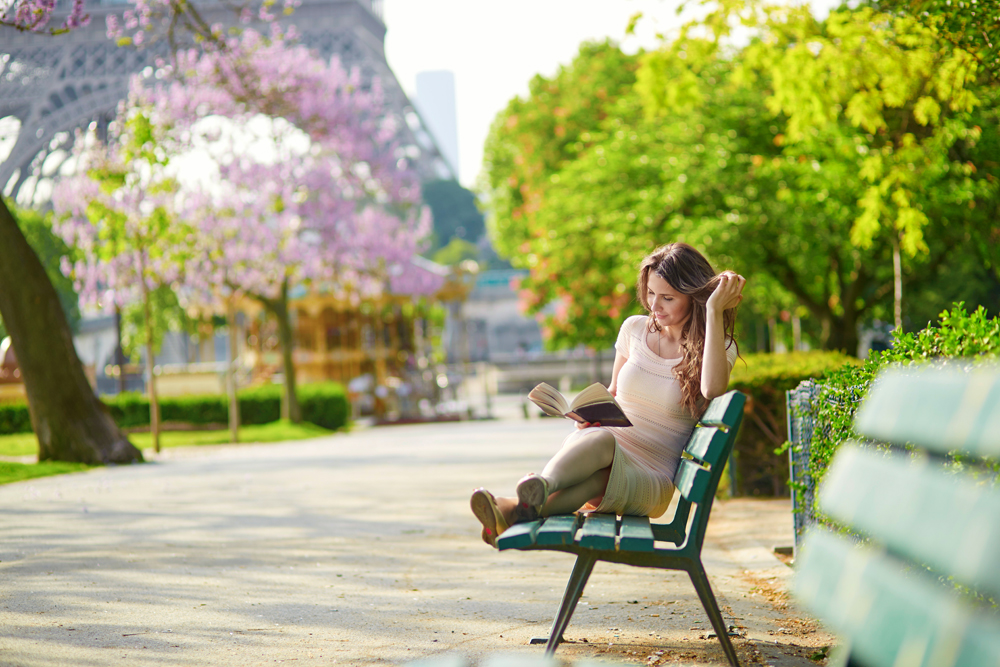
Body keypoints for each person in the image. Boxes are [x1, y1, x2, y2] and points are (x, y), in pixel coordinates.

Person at [471, 242, 745, 547]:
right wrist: (588, 416)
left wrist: (714, 310)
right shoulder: (634, 330)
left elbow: (713, 389)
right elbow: (612, 393)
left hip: (652, 475)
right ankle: (515, 509)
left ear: (694, 298)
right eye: (651, 294)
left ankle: (538, 488)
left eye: (667, 298)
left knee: (602, 447)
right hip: (606, 453)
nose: (655, 306)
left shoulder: (716, 347)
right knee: (597, 468)